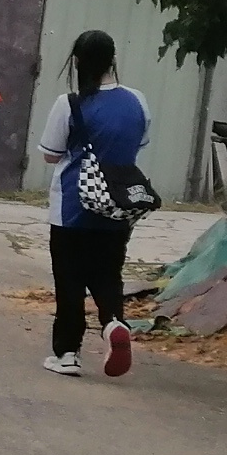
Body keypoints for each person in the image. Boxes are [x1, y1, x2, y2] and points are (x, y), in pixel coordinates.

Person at [37, 27, 147, 378]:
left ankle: (67, 353)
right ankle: (114, 322)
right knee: (108, 273)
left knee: (69, 280)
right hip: (118, 205)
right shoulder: (137, 101)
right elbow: (138, 144)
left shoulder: (69, 103)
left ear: (77, 62)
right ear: (113, 59)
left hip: (73, 206)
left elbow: (50, 154)